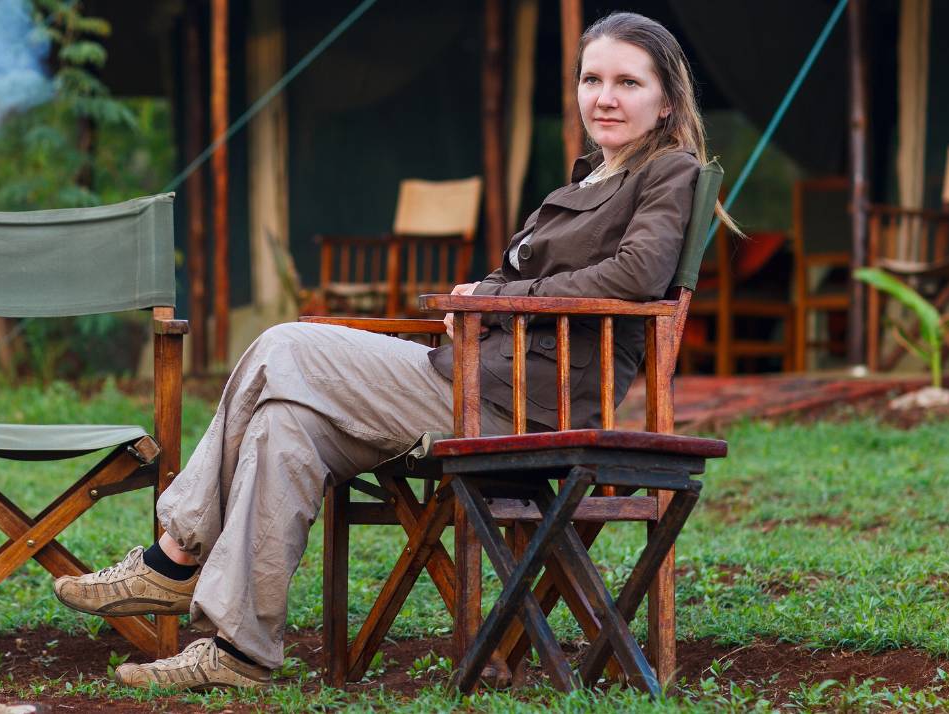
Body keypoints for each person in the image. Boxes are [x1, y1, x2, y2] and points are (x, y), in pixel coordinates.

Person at [52, 11, 738, 689]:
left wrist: (491, 300)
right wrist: (494, 291)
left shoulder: (668, 170)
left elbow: (637, 274)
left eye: (627, 82)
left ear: (666, 100)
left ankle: (173, 559)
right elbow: (509, 273)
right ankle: (240, 652)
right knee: (283, 426)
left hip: (523, 400)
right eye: (593, 79)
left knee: (283, 345)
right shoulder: (587, 179)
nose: (605, 97)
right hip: (472, 378)